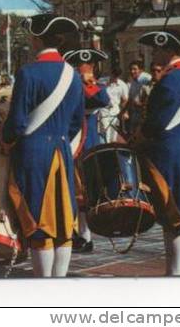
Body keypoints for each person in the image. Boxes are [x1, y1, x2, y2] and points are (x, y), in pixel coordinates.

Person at [2, 14, 84, 278]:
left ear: (36, 39)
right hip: (62, 152)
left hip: (33, 153)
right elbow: (76, 122)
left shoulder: (28, 72)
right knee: (62, 222)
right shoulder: (74, 74)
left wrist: (4, 140)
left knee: (37, 221)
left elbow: (16, 121)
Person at [133, 29, 180, 276]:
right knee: (175, 214)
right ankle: (175, 269)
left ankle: (175, 271)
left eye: (157, 49)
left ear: (169, 50)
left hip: (167, 150)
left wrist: (139, 137)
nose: (154, 54)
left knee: (173, 213)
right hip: (175, 147)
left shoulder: (173, 79)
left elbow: (158, 121)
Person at [63, 48, 111, 255]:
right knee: (71, 189)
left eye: (89, 66)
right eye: (81, 66)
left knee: (84, 190)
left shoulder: (94, 87)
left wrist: (88, 81)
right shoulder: (67, 86)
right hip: (69, 140)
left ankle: (85, 235)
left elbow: (102, 100)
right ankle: (74, 232)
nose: (85, 69)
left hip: (86, 142)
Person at [99, 68, 129, 144]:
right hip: (103, 111)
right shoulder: (102, 81)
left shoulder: (122, 85)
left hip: (115, 112)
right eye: (114, 75)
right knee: (105, 132)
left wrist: (124, 112)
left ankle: (111, 150)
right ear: (111, 73)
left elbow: (125, 99)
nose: (115, 77)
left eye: (117, 76)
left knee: (113, 134)